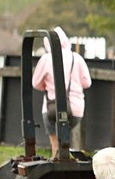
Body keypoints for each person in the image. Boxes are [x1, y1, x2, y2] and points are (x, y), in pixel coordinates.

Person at [32, 26, 92, 158]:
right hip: (75, 108)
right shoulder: (77, 58)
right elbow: (87, 83)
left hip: (51, 107)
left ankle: (57, 158)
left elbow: (35, 83)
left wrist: (48, 86)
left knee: (55, 144)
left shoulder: (46, 59)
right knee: (65, 138)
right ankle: (66, 157)